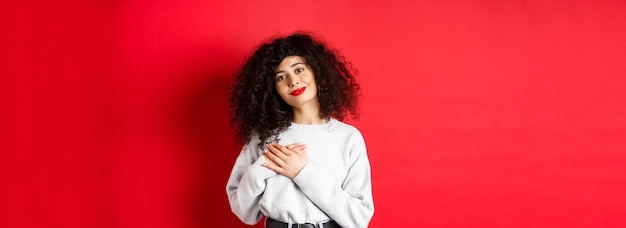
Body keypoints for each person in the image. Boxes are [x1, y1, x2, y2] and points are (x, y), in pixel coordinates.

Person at [226, 32, 374, 228]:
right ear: (273, 89)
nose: (293, 81)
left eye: (299, 70)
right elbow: (245, 212)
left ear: (317, 72)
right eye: (281, 77)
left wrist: (302, 172)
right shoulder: (263, 138)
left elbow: (359, 219)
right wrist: (263, 166)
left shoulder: (348, 138)